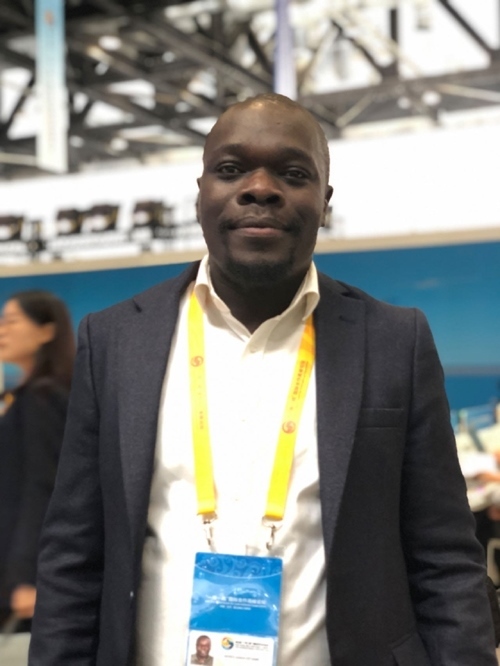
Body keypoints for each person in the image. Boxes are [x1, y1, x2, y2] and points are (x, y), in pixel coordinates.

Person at [28, 94, 497, 665]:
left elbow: (444, 560)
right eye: (230, 170)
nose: (259, 188)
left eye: (293, 174)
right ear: (200, 192)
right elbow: (73, 558)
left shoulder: (396, 342)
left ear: (324, 201)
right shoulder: (115, 341)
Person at [0, 291, 75, 629]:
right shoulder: (25, 396)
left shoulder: (43, 398)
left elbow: (44, 488)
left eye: (12, 321)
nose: (2, 330)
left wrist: (27, 576)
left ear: (46, 331)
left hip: (27, 575)